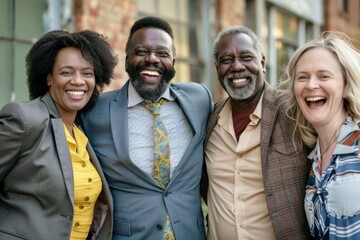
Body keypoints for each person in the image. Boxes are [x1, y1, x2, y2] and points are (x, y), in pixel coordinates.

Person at [77, 16, 213, 240]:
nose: (152, 59)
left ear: (173, 62)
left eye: (162, 53)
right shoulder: (93, 110)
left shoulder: (199, 99)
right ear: (128, 58)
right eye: (142, 52)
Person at [0, 29, 118, 239]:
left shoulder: (81, 133)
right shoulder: (25, 119)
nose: (78, 81)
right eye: (66, 72)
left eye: (87, 73)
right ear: (48, 78)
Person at [201, 25, 310, 240]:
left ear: (262, 62)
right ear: (217, 69)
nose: (236, 66)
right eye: (226, 60)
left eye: (246, 57)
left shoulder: (294, 111)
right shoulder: (209, 119)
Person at [283, 31, 360, 239]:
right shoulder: (313, 158)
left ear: (346, 86)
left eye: (324, 76)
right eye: (303, 77)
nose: (311, 85)